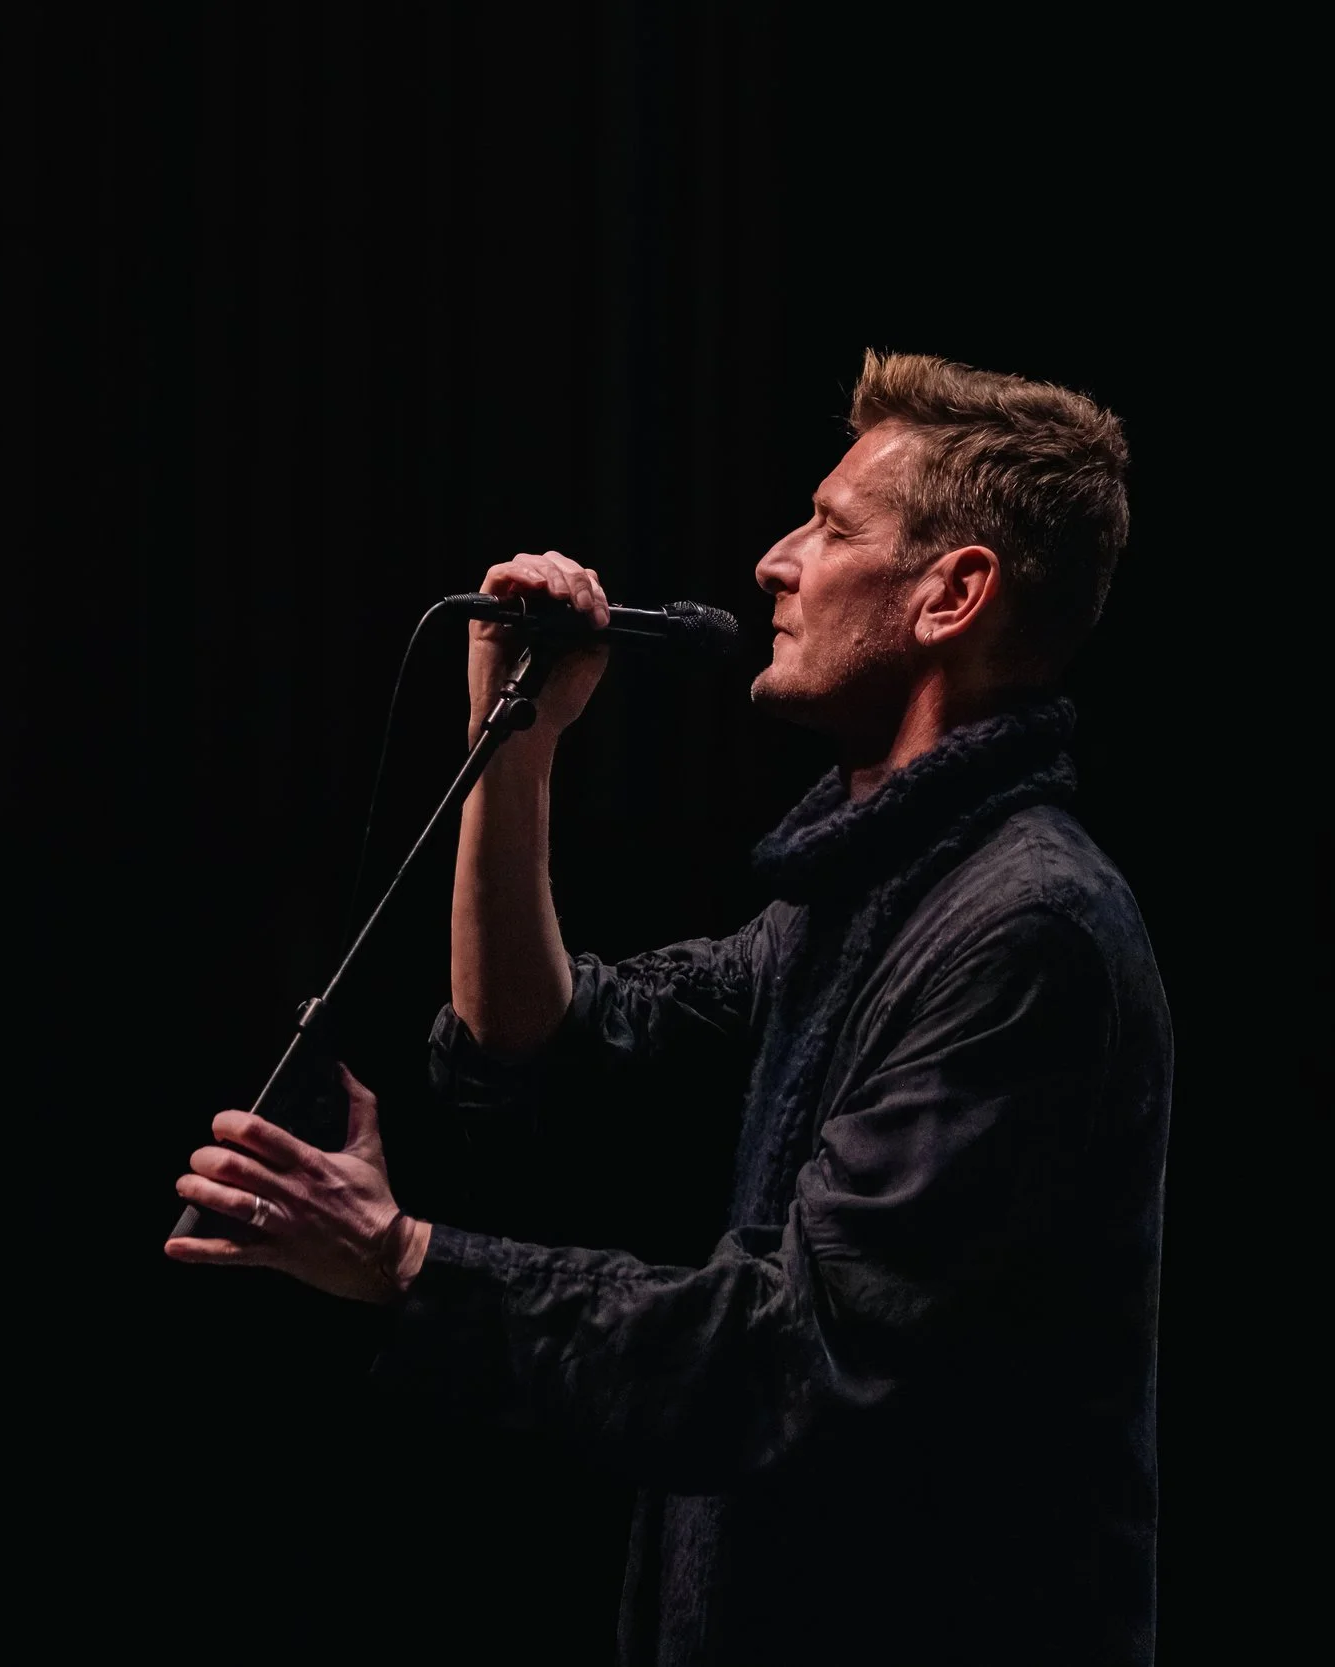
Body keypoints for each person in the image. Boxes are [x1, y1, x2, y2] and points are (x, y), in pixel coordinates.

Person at [165, 351, 1168, 1665]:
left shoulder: (1024, 931)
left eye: (833, 528)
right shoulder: (860, 894)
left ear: (952, 594)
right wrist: (515, 743)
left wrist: (405, 1258)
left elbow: (795, 1356)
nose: (775, 560)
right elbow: (544, 1039)